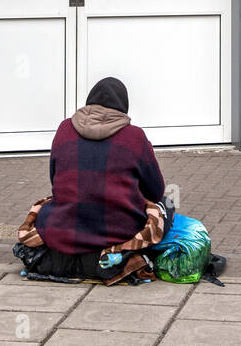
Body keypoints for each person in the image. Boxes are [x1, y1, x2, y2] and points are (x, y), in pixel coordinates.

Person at [13, 77, 171, 284]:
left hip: (62, 229)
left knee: (48, 203)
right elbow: (156, 190)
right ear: (123, 107)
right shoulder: (135, 137)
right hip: (119, 232)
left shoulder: (64, 129)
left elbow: (55, 181)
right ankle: (116, 256)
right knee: (166, 204)